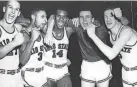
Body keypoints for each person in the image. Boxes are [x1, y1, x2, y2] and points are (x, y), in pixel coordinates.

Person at [86, 6, 137, 87]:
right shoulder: (110, 34)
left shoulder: (127, 31)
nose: (108, 20)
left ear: (116, 17)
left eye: (111, 16)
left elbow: (111, 54)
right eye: (105, 17)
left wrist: (92, 35)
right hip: (125, 73)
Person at [43, 9, 73, 87]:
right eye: (58, 16)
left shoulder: (68, 30)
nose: (61, 19)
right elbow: (28, 21)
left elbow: (83, 23)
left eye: (64, 17)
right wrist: (49, 29)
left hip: (63, 71)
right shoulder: (45, 30)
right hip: (47, 70)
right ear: (54, 17)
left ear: (67, 19)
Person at [19, 9, 48, 87]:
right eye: (42, 17)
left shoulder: (41, 32)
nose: (45, 20)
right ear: (33, 17)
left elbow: (53, 18)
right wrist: (32, 40)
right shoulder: (24, 35)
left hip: (42, 75)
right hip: (29, 76)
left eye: (46, 17)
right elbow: (22, 62)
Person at [0, 0, 25, 87]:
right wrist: (14, 43)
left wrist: (49, 30)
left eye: (16, 9)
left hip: (17, 77)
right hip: (3, 78)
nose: (13, 12)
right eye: (10, 7)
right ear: (4, 9)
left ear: (18, 13)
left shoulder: (18, 28)